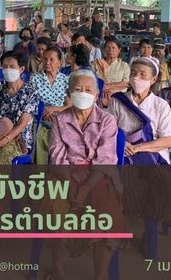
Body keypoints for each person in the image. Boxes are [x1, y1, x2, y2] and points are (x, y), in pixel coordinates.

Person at [48, 70, 122, 280]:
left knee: (106, 215)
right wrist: (70, 186)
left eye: (88, 90)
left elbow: (105, 159)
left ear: (97, 95)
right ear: (69, 93)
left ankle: (100, 275)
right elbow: (57, 157)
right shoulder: (60, 120)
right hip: (66, 174)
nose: (82, 93)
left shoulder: (107, 120)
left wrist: (86, 187)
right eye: (77, 89)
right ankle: (59, 271)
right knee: (53, 209)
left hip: (98, 175)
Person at [107, 57, 171, 164]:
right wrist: (122, 143)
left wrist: (138, 148)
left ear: (153, 80)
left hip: (152, 151)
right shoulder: (117, 100)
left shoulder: (161, 105)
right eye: (133, 73)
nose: (136, 77)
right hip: (123, 148)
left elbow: (167, 140)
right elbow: (108, 130)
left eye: (142, 74)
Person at [0, 52, 39, 164]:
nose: (7, 70)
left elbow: (22, 124)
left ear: (21, 69)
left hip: (19, 139)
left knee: (0, 161)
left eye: (12, 66)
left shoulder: (31, 92)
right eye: (5, 67)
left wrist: (1, 142)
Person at [30, 47, 71, 164]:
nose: (47, 62)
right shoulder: (35, 78)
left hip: (59, 115)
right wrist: (43, 111)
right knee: (38, 133)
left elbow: (69, 104)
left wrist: (55, 109)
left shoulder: (65, 79)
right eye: (45, 59)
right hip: (39, 115)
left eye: (51, 60)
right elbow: (31, 102)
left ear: (59, 62)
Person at [92, 38, 130, 105]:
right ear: (104, 49)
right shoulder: (96, 63)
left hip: (118, 100)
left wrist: (105, 87)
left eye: (113, 48)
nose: (110, 50)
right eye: (108, 47)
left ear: (119, 50)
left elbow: (126, 84)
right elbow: (91, 81)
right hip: (97, 98)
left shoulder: (124, 66)